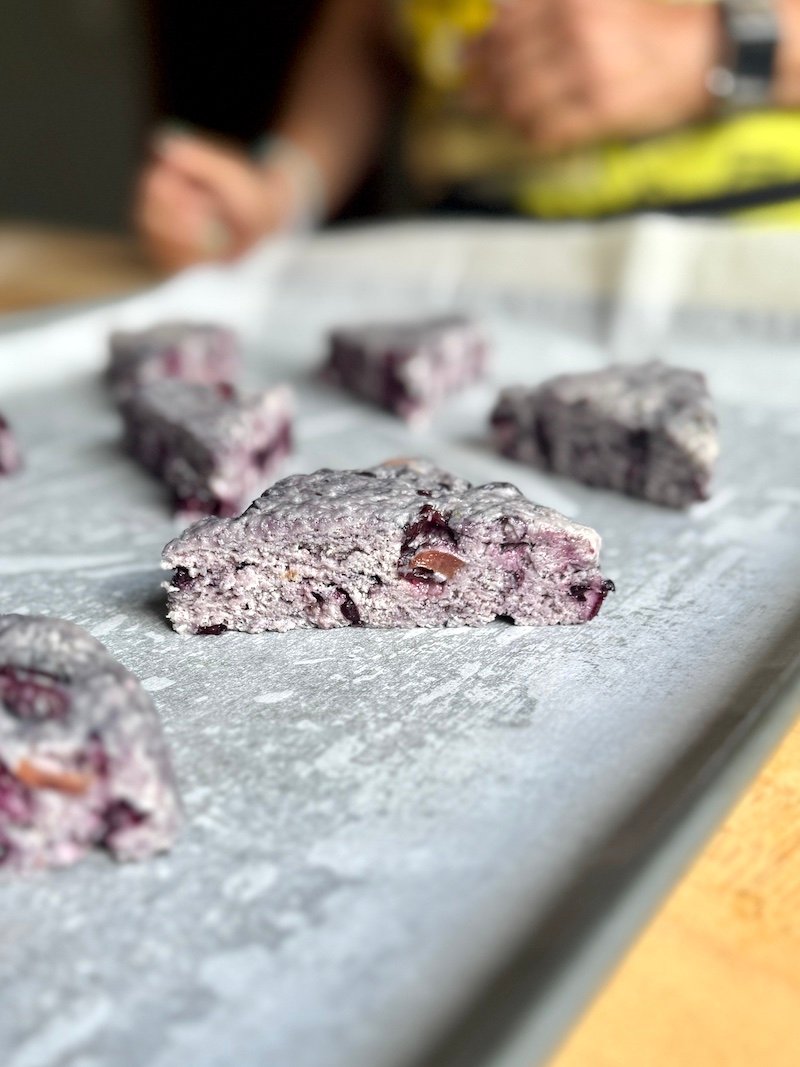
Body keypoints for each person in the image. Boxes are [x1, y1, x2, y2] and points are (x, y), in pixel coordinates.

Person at [136, 0, 800, 272]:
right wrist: (284, 191)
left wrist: (728, 46)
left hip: (754, 258)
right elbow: (370, 29)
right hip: (463, 268)